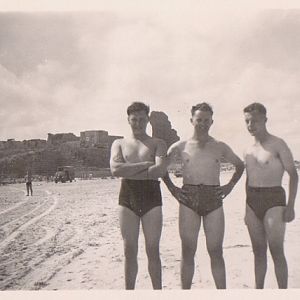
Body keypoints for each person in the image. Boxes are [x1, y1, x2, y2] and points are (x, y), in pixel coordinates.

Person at [163, 102, 244, 289]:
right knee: (188, 251)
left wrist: (229, 186)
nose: (202, 123)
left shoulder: (220, 146)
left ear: (212, 122)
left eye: (206, 120)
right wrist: (173, 189)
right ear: (191, 120)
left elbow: (240, 166)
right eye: (199, 120)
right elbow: (162, 169)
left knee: (215, 251)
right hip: (188, 198)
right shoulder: (180, 146)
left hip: (213, 198)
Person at [110, 102, 167, 289]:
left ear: (148, 119)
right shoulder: (119, 143)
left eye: (142, 119)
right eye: (134, 120)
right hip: (128, 197)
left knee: (153, 250)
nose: (138, 123)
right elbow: (115, 170)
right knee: (129, 251)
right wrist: (144, 165)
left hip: (152, 197)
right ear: (128, 120)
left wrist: (127, 170)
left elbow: (159, 171)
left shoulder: (158, 143)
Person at [243, 102, 298, 289]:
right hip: (252, 201)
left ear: (265, 120)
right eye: (248, 122)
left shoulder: (278, 144)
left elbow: (293, 175)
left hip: (274, 198)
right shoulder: (248, 149)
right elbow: (248, 178)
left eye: (255, 121)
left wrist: (290, 206)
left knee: (276, 250)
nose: (251, 125)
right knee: (258, 252)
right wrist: (246, 209)